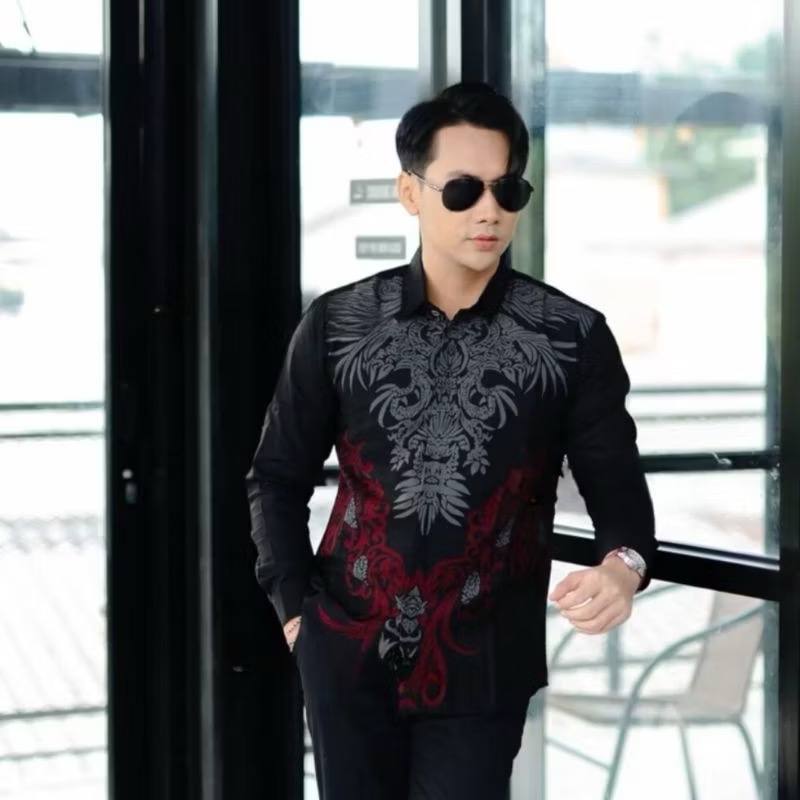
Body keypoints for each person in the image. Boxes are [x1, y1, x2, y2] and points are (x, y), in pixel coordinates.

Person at [245, 81, 658, 800]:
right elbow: (275, 477)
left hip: (485, 662)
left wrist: (622, 569)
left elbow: (619, 495)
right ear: (411, 193)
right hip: (345, 650)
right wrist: (295, 614)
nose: (489, 210)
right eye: (463, 190)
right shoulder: (338, 324)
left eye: (507, 189)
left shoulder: (572, 337)